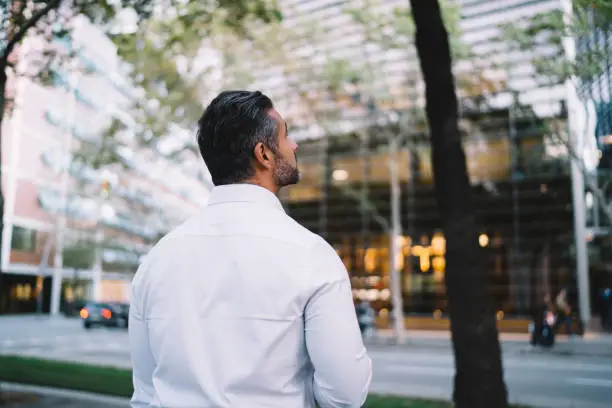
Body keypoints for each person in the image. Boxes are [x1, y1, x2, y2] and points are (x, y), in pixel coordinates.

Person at [128, 90, 372, 408]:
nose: (294, 145)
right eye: (286, 135)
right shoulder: (311, 256)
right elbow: (345, 393)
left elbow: (146, 392)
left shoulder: (156, 259)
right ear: (264, 155)